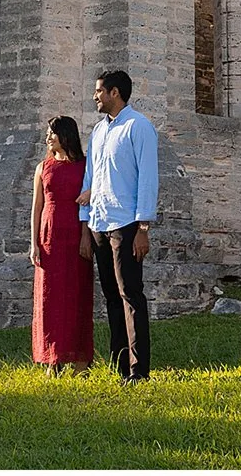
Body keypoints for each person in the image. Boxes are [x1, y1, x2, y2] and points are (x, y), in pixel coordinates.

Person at [76, 70, 158, 383]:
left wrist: (143, 228)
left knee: (131, 297)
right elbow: (90, 179)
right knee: (111, 298)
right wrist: (86, 224)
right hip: (99, 223)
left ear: (115, 92)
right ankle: (120, 367)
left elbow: (148, 179)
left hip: (126, 225)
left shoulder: (139, 127)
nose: (95, 96)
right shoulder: (98, 131)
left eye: (99, 91)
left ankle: (139, 371)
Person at [29, 115, 94, 376]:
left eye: (52, 132)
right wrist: (33, 243)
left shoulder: (85, 166)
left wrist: (86, 237)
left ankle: (80, 361)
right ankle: (52, 358)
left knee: (77, 296)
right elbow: (36, 207)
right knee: (49, 298)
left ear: (65, 135)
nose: (48, 136)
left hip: (76, 235)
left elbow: (89, 205)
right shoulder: (42, 167)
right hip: (49, 237)